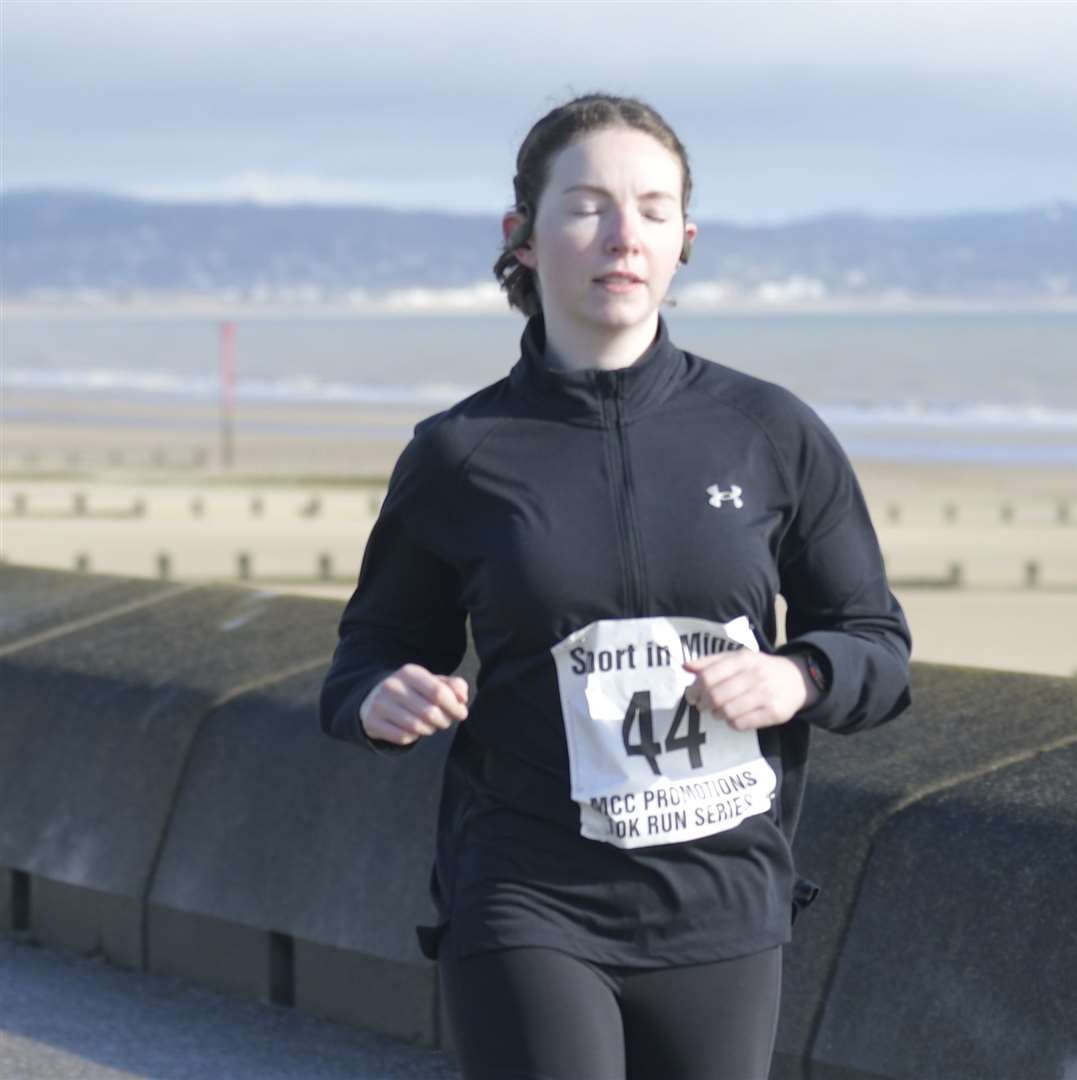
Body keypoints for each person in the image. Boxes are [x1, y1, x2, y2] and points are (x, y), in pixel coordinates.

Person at [319, 93, 911, 1080]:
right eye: (587, 205)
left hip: (721, 893)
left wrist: (798, 676)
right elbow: (367, 657)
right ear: (522, 236)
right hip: (526, 884)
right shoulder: (459, 454)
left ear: (685, 238)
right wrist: (379, 697)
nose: (621, 234)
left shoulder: (768, 431)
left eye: (650, 206)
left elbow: (875, 646)